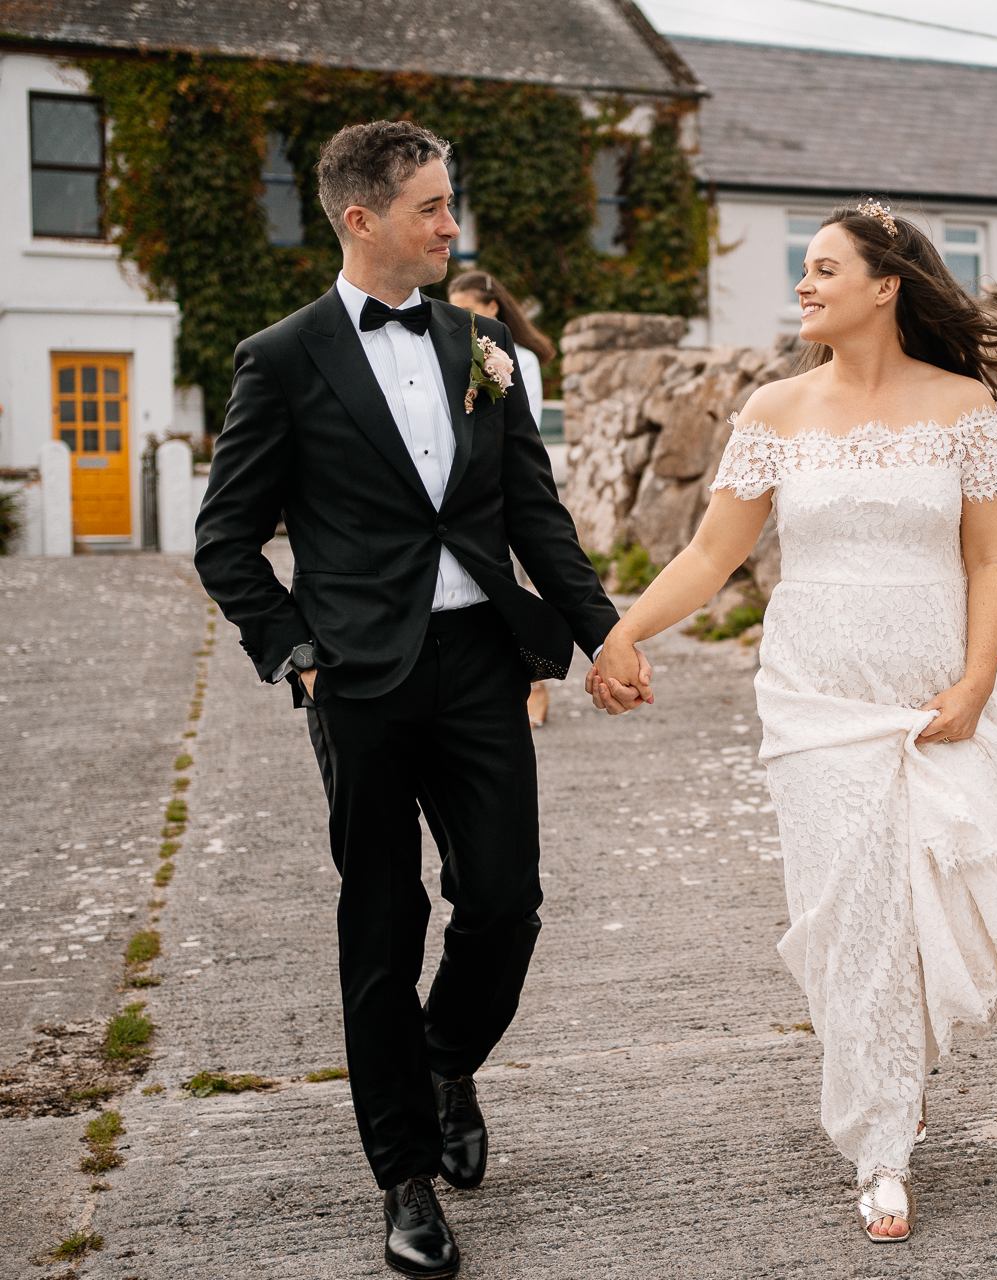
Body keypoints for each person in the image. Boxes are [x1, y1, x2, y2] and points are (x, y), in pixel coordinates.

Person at [194, 120, 620, 1279]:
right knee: (382, 921)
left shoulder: (484, 348)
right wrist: (296, 652)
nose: (451, 225)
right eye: (433, 207)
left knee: (506, 897)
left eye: (450, 203)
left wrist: (602, 632)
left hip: (481, 658)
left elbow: (535, 516)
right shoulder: (279, 359)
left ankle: (441, 1058)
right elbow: (225, 541)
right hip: (361, 681)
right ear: (362, 219)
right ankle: (404, 1172)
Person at [586, 200, 997, 1242]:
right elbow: (711, 556)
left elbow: (992, 558)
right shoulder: (773, 411)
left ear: (885, 286)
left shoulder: (963, 407)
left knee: (919, 904)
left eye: (824, 268)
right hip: (812, 699)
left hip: (933, 698)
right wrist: (624, 629)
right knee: (851, 914)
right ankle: (884, 1143)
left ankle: (892, 1077)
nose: (804, 285)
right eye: (804, 268)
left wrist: (978, 680)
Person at [446, 271, 559, 731]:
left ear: (491, 308)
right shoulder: (453, 347)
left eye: (466, 307)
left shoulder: (519, 357)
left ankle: (538, 680)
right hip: (476, 486)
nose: (459, 317)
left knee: (524, 584)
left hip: (513, 479)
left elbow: (518, 416)